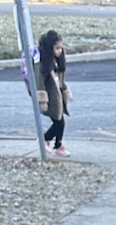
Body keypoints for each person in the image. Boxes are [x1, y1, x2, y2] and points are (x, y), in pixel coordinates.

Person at [34, 29, 72, 157]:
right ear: (49, 48)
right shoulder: (42, 63)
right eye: (57, 48)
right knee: (59, 122)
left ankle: (58, 145)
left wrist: (66, 91)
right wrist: (43, 100)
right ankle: (46, 139)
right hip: (50, 98)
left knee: (59, 121)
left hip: (57, 96)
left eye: (61, 48)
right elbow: (40, 83)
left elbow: (60, 80)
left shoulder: (56, 61)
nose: (59, 51)